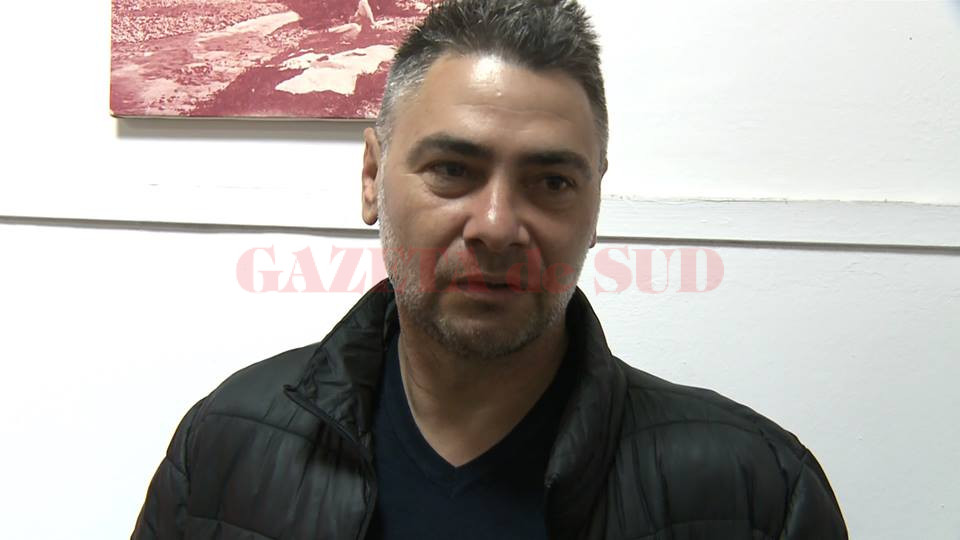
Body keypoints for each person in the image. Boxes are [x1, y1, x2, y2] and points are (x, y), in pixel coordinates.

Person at [132, 1, 848, 538]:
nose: (498, 226)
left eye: (551, 182)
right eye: (452, 170)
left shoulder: (755, 492)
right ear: (372, 177)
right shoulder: (227, 446)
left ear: (594, 204)